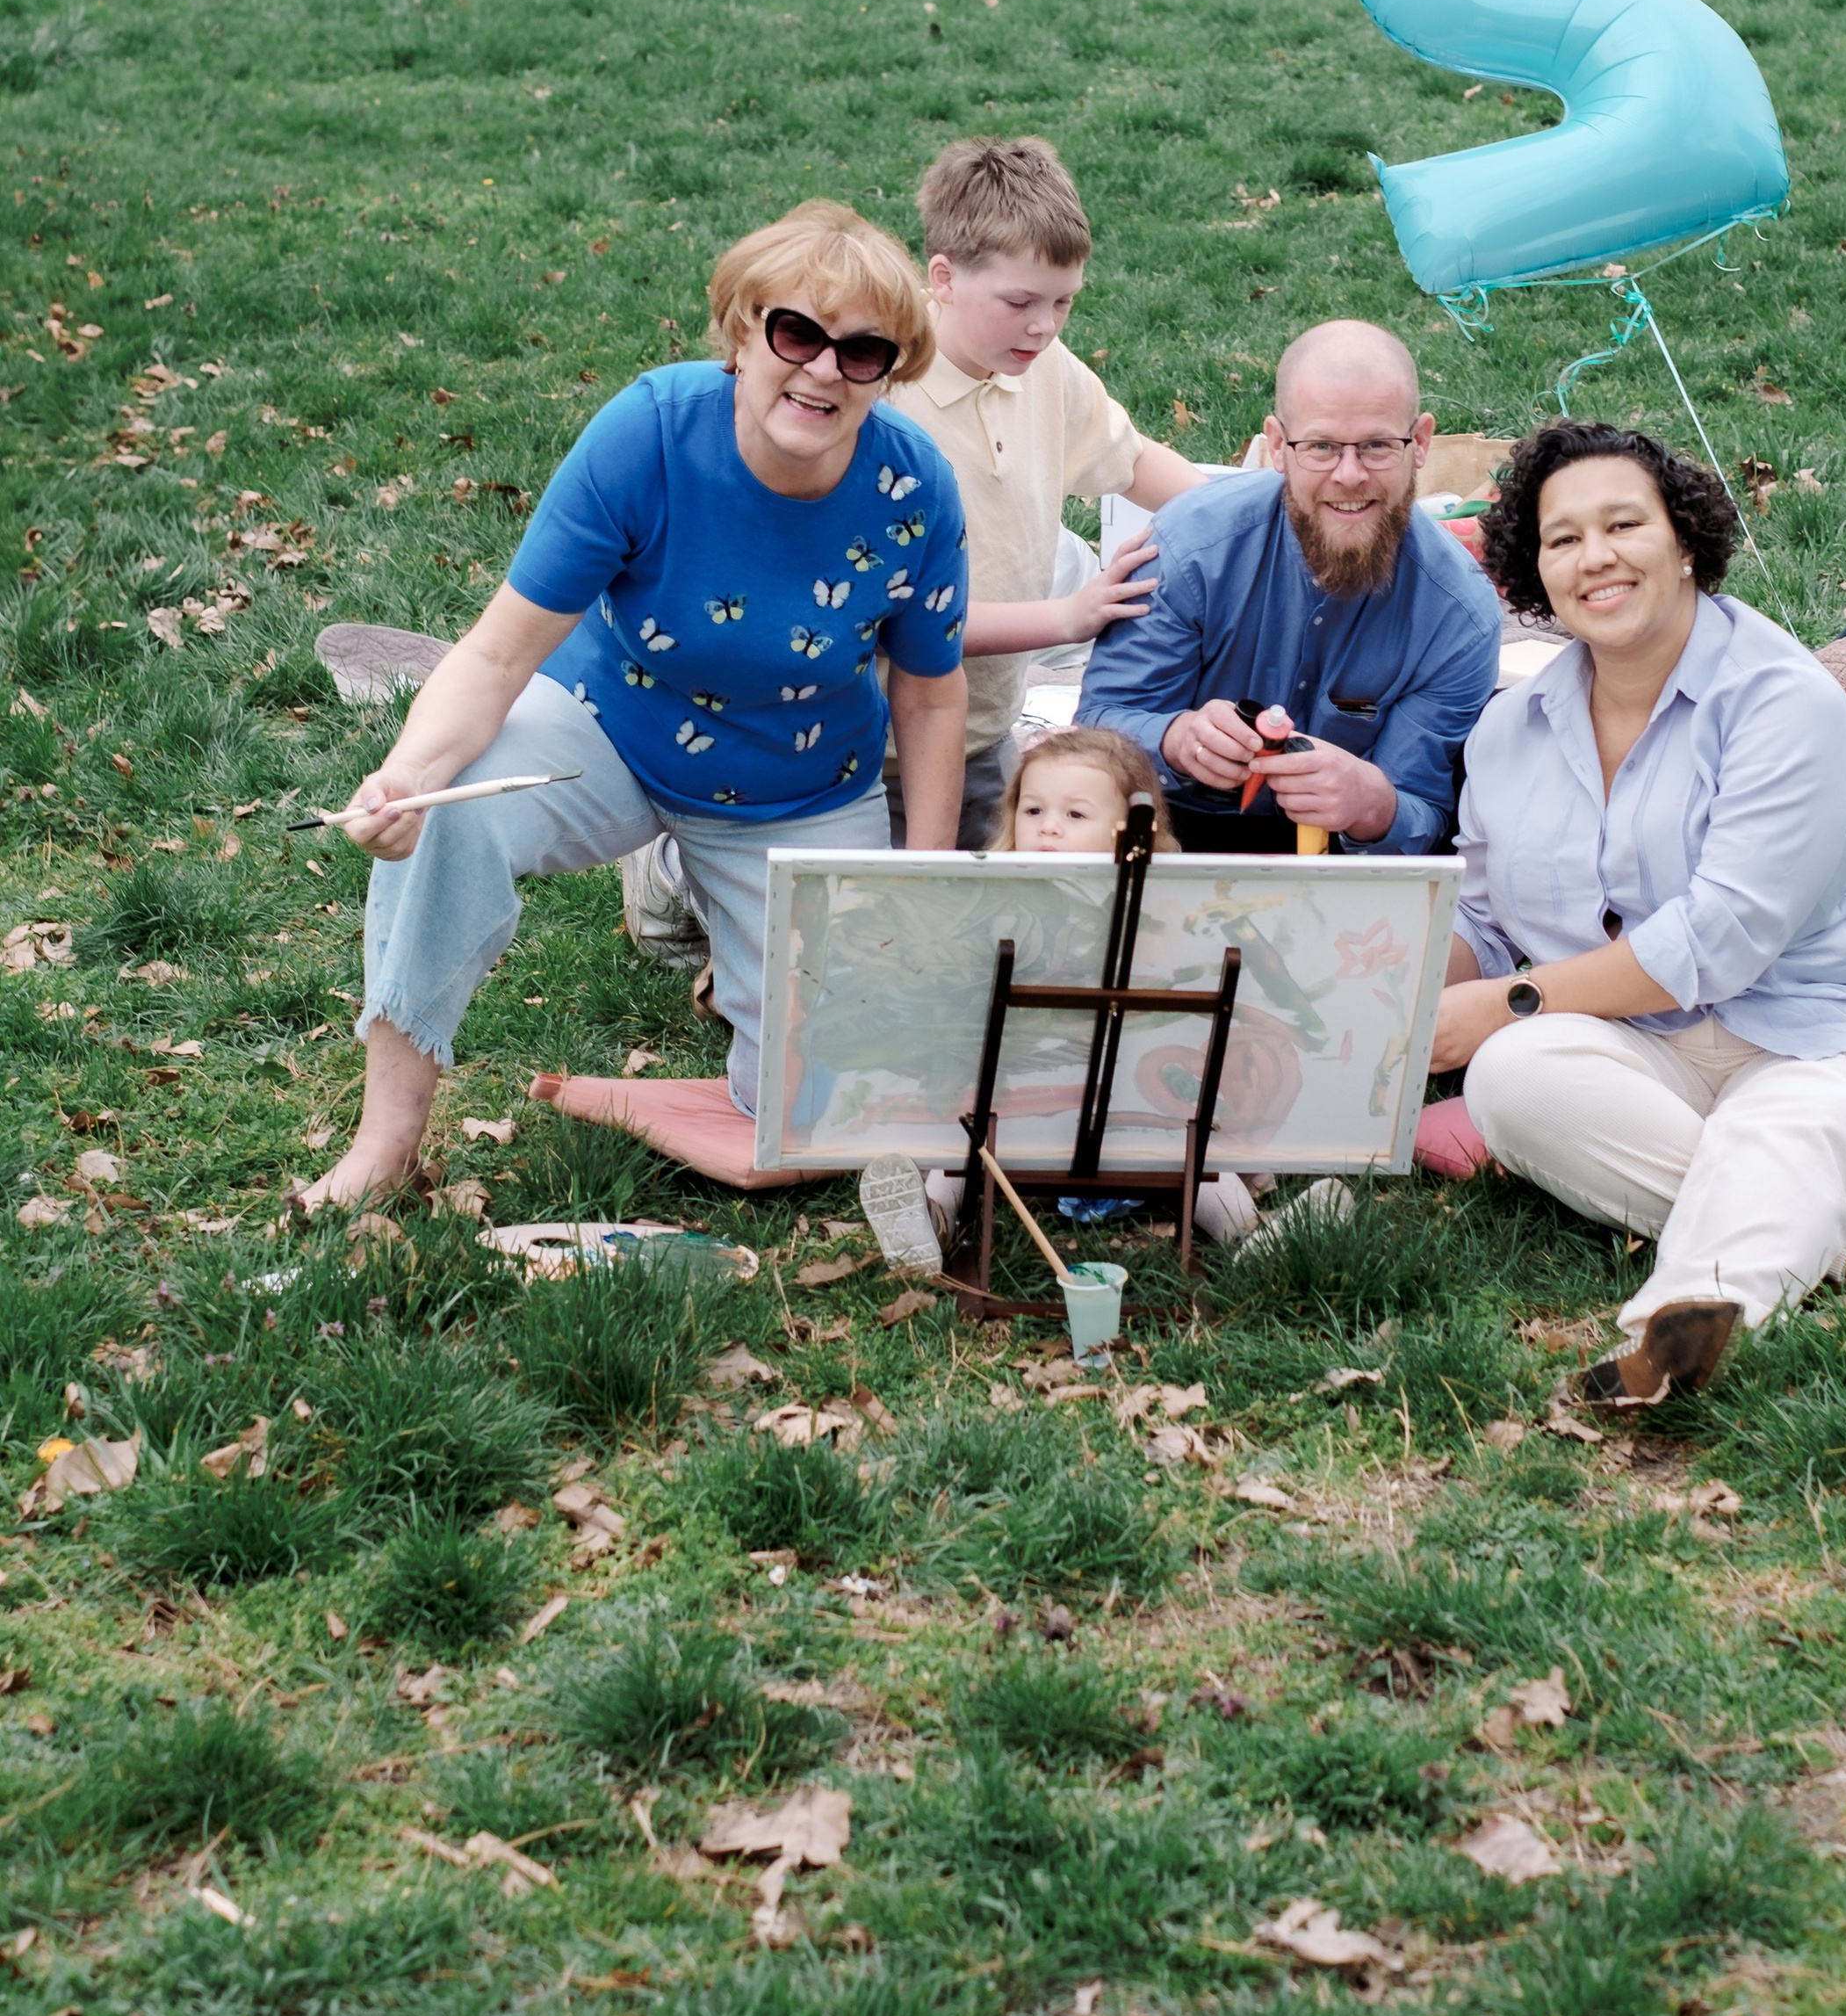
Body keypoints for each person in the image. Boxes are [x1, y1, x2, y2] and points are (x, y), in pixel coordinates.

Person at [302, 204, 970, 1211]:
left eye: (863, 351)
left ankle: (698, 913)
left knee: (830, 1115)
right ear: (744, 330)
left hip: (795, 792)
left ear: (892, 368)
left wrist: (921, 879)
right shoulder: (650, 433)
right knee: (449, 811)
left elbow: (928, 697)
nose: (824, 370)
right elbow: (491, 656)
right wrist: (408, 779)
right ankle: (387, 1141)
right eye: (797, 334)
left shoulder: (912, 488)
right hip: (609, 734)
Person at [1425, 419, 1846, 1413]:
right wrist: (1372, 970)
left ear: (1685, 541)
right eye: (1562, 538)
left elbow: (1717, 939)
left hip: (1819, 1049)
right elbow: (1488, 933)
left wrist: (1512, 997)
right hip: (1629, 1054)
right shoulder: (1509, 730)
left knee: (1779, 1132)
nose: (1595, 557)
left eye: (1623, 524)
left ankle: (1667, 1347)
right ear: (1535, 570)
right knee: (1510, 1073)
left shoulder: (1784, 703)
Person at [877, 137, 1204, 852]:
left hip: (985, 734)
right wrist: (1066, 617)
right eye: (1020, 301)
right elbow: (900, 621)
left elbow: (1133, 460)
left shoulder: (1046, 367)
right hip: (870, 754)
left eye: (1063, 302)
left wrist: (1249, 519)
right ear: (943, 278)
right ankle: (672, 872)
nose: (1044, 325)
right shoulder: (884, 402)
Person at [1078, 320, 1500, 854]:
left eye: (1375, 445)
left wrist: (1373, 802)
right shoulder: (1187, 550)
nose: (1349, 475)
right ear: (1277, 445)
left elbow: (1424, 810)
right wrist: (1175, 740)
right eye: (1321, 446)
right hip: (1168, 832)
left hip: (1343, 862)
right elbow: (1095, 729)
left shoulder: (1459, 615)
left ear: (1419, 443)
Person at [855, 725, 1263, 1272]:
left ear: (1130, 829)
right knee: (953, 1152)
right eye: (1032, 810)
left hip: (1134, 1121)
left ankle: (1251, 1238)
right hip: (1015, 1118)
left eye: (1074, 815)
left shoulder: (1166, 911)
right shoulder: (991, 903)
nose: (1047, 827)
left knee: (1211, 1162)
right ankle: (929, 1224)